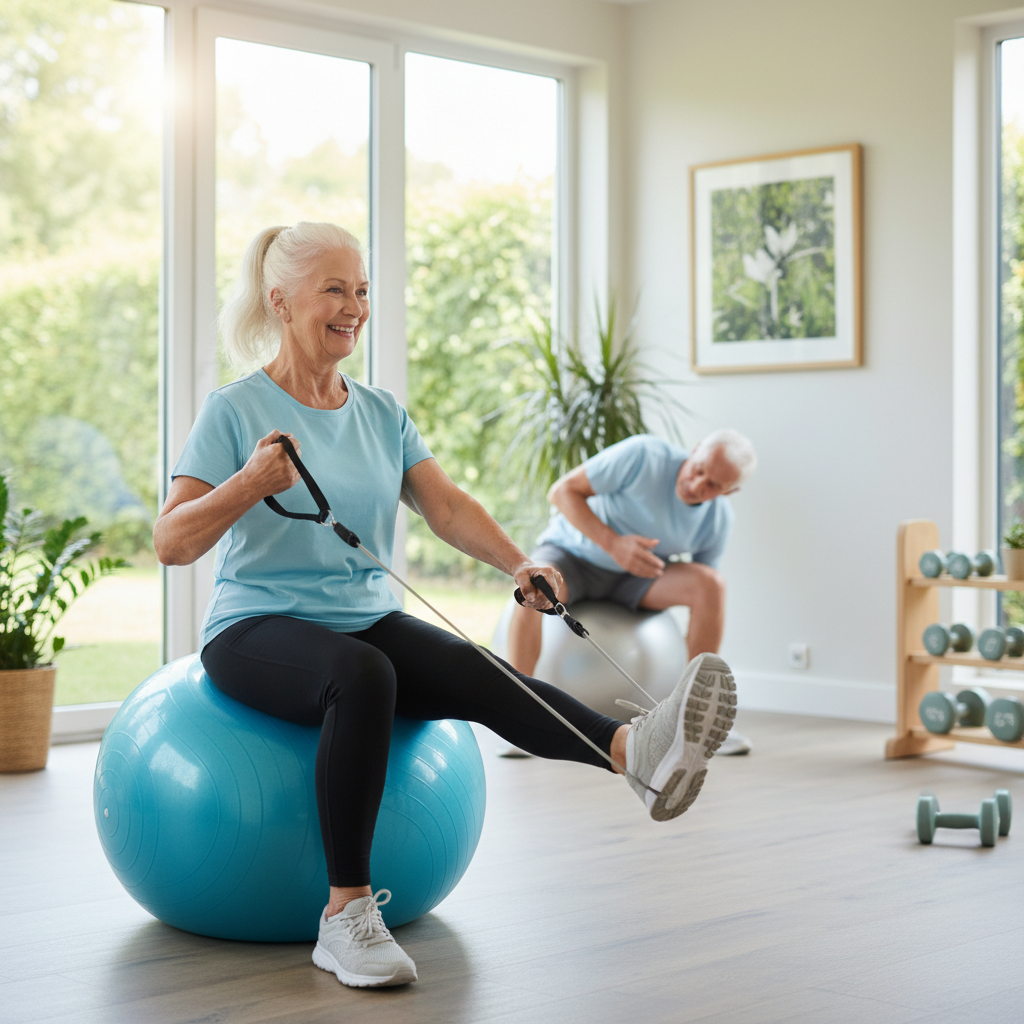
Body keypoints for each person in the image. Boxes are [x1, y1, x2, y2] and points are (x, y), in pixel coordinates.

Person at [153, 222, 737, 991]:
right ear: (280, 301)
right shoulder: (235, 410)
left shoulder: (381, 413)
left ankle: (633, 752)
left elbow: (448, 507)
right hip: (255, 628)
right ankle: (346, 916)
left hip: (360, 616)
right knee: (363, 676)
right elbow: (171, 542)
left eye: (361, 290)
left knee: (471, 666)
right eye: (335, 289)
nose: (354, 307)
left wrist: (520, 563)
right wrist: (246, 485)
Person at [507, 430, 757, 755]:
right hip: (573, 557)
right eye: (698, 470)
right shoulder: (644, 455)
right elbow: (562, 491)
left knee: (710, 585)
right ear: (694, 451)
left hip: (636, 578)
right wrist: (614, 545)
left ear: (730, 490)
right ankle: (517, 716)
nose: (698, 485)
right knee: (534, 581)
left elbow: (702, 580)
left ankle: (694, 720)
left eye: (713, 486)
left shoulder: (717, 520)